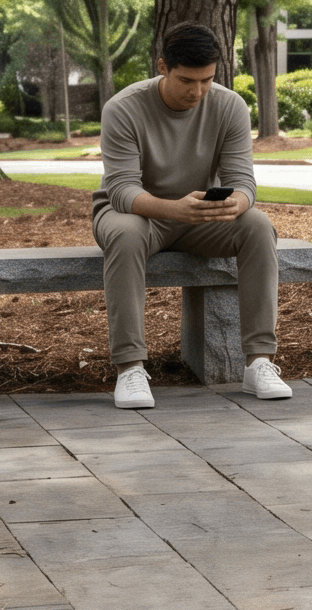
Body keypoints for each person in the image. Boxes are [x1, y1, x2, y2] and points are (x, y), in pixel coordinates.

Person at [93, 23, 288, 408]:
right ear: (163, 66)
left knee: (258, 226)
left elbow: (243, 181)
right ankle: (130, 368)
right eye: (186, 80)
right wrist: (174, 208)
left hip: (199, 217)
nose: (197, 92)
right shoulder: (123, 108)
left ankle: (258, 362)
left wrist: (239, 202)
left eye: (207, 80)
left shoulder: (229, 105)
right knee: (127, 234)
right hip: (134, 215)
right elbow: (121, 191)